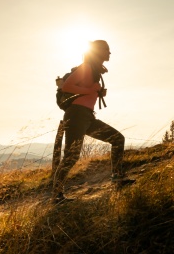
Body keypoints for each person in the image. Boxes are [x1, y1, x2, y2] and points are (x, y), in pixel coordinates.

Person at [51, 40, 134, 204]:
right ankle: (56, 195)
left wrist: (98, 93)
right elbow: (67, 86)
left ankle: (117, 178)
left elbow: (83, 90)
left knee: (117, 139)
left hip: (87, 117)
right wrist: (90, 90)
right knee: (72, 156)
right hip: (76, 115)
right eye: (107, 50)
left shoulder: (94, 70)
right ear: (98, 51)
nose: (109, 53)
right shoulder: (87, 67)